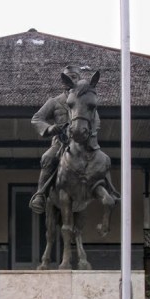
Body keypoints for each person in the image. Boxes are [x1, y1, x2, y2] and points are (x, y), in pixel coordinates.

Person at [29, 64, 101, 214]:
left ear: (79, 79)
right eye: (68, 77)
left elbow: (96, 121)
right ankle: (40, 195)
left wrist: (88, 133)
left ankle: (103, 189)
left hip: (82, 142)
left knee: (101, 160)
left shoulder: (86, 99)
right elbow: (36, 119)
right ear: (64, 81)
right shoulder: (54, 101)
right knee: (48, 158)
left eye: (75, 76)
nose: (71, 79)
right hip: (61, 142)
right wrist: (49, 129)